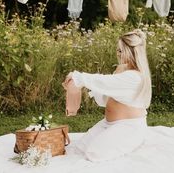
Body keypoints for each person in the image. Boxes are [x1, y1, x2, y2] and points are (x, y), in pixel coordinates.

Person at [63, 29, 152, 162]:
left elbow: (104, 82)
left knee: (94, 153)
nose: (118, 54)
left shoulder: (134, 77)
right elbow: (105, 97)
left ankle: (133, 140)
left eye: (121, 51)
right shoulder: (123, 70)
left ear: (132, 52)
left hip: (128, 127)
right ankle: (117, 139)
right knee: (80, 148)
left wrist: (79, 77)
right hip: (108, 124)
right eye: (118, 50)